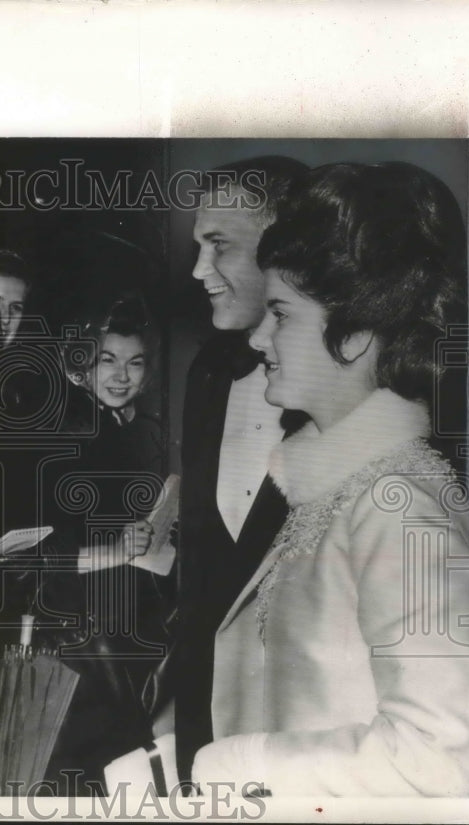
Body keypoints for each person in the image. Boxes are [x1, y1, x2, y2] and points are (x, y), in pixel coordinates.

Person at [192, 162, 469, 796]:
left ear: (353, 337)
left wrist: (236, 766)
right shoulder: (334, 489)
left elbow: (435, 763)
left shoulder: (403, 508)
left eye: (282, 315)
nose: (261, 338)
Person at [170, 156, 309, 778]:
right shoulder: (207, 371)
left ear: (282, 249)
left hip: (300, 726)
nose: (199, 270)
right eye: (197, 247)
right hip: (203, 715)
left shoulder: (347, 388)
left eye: (219, 245)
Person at [37, 296, 171, 793]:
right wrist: (117, 549)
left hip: (123, 623)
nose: (121, 375)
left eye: (135, 362)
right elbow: (39, 554)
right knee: (96, 768)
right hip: (78, 635)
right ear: (80, 365)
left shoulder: (129, 429)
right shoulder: (67, 432)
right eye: (107, 359)